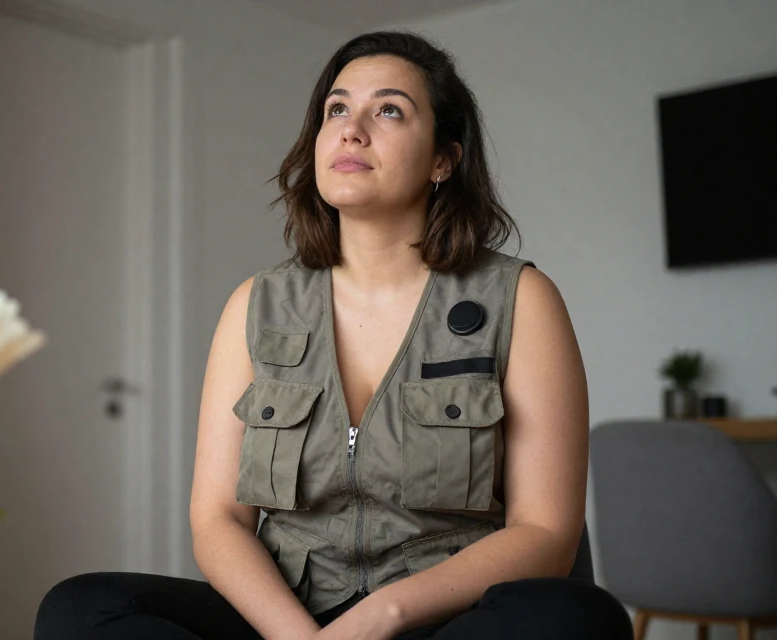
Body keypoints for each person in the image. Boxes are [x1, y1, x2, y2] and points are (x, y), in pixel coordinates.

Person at [34, 30, 633, 640]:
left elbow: (545, 534)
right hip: (291, 617)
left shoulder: (520, 299)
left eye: (389, 111)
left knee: (577, 618)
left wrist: (379, 617)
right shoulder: (255, 306)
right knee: (81, 606)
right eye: (337, 110)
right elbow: (218, 520)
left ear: (443, 160)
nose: (352, 130)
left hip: (445, 619)